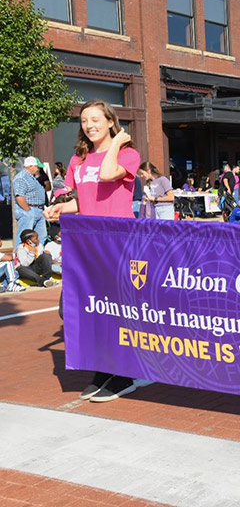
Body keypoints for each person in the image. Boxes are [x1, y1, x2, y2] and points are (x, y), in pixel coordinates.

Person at [43, 99, 142, 402]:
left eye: (96, 119)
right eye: (84, 120)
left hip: (117, 242)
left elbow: (108, 175)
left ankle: (123, 373)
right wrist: (63, 207)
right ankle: (103, 368)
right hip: (87, 245)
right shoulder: (78, 159)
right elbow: (85, 199)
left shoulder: (128, 153)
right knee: (76, 308)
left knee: (114, 309)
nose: (89, 125)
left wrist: (116, 144)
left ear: (111, 122)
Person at [13, 156, 49, 245]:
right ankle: (21, 257)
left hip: (38, 210)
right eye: (37, 167)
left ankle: (39, 256)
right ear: (30, 166)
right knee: (25, 237)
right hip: (29, 210)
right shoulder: (21, 177)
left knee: (41, 237)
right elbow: (19, 196)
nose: (38, 169)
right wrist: (28, 210)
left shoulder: (31, 177)